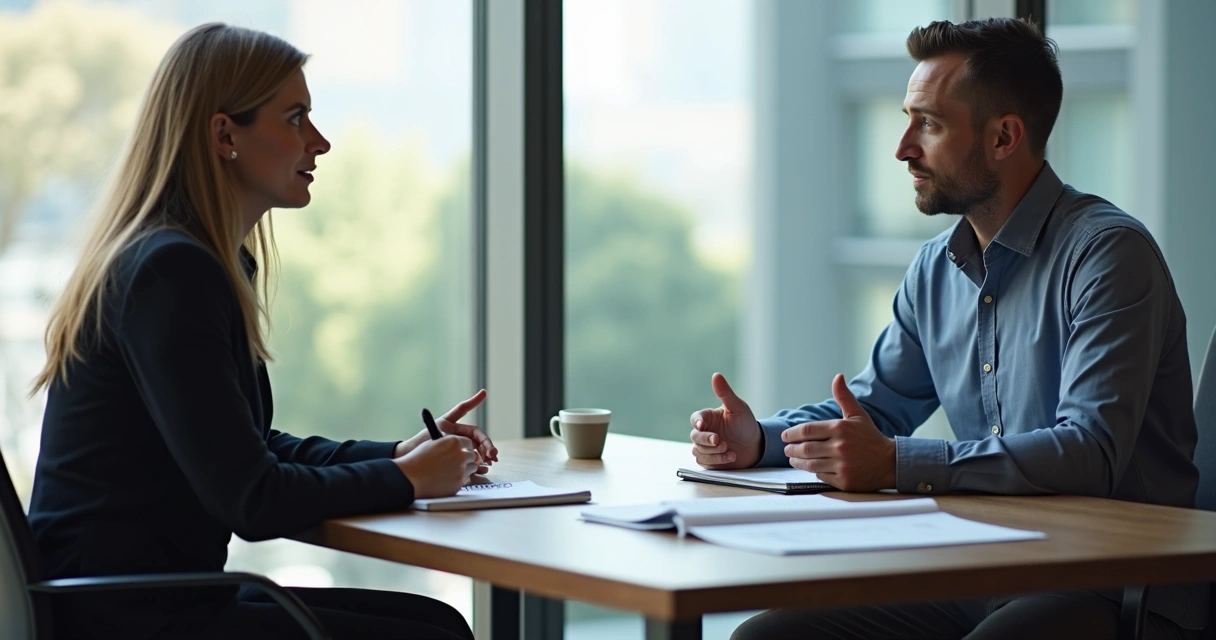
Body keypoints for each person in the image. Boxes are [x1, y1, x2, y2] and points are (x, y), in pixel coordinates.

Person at [689, 18, 1203, 640]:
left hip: (1115, 586)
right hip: (982, 569)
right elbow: (877, 407)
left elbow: (1089, 451)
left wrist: (898, 465)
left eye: (928, 124)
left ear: (1004, 137)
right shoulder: (936, 267)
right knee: (765, 637)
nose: (903, 147)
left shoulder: (1108, 255)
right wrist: (763, 440)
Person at [26, 23, 491, 640]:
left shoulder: (190, 261)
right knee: (433, 635)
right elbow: (252, 498)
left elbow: (247, 447)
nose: (319, 142)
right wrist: (406, 480)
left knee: (434, 623)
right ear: (224, 135)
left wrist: (398, 456)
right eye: (295, 117)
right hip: (122, 616)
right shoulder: (171, 271)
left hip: (144, 602)